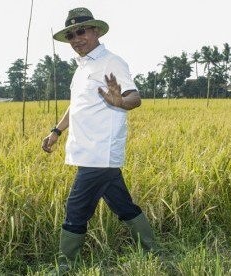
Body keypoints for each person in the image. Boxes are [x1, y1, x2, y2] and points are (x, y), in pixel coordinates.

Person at [42, 7, 157, 273]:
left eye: (81, 31)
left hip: (99, 152)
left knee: (76, 208)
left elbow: (134, 97)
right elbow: (77, 106)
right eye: (71, 35)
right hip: (86, 150)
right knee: (122, 204)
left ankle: (66, 267)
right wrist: (56, 131)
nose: (76, 39)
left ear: (95, 31)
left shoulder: (110, 62)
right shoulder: (83, 67)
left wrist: (120, 101)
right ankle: (153, 250)